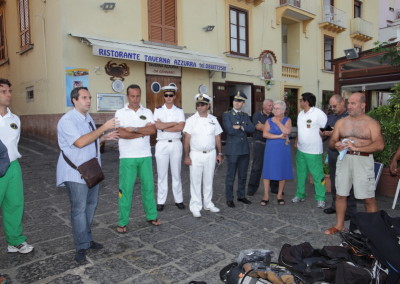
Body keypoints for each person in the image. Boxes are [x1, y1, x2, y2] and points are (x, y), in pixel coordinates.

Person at [57, 86, 119, 263]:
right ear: (74, 100)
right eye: (84, 97)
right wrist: (103, 129)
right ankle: (80, 246)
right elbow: (79, 142)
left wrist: (103, 139)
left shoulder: (87, 118)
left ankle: (87, 239)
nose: (88, 101)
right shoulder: (67, 120)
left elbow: (90, 142)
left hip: (91, 170)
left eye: (89, 97)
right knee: (79, 209)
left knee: (90, 206)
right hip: (75, 172)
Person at [324, 92, 384, 235]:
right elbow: (331, 143)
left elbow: (380, 145)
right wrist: (337, 144)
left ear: (363, 105)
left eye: (353, 103)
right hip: (344, 160)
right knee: (340, 194)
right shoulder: (341, 122)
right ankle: (339, 225)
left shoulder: (371, 123)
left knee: (368, 197)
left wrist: (358, 147)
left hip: (363, 160)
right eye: (348, 103)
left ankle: (372, 229)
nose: (349, 106)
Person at [115, 84, 160, 234]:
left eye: (138, 96)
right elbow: (121, 134)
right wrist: (142, 131)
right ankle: (122, 222)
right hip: (127, 157)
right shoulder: (120, 112)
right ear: (127, 96)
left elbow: (152, 130)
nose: (135, 99)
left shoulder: (147, 111)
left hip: (145, 155)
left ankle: (152, 216)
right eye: (132, 96)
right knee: (125, 190)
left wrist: (134, 129)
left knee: (148, 187)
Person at [0, 78, 34, 254]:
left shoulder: (16, 119)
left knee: (15, 204)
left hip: (13, 167)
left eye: (9, 91)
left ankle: (15, 240)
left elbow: (14, 144)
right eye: (3, 91)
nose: (8, 95)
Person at [183, 94, 223, 218]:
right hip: (196, 154)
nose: (199, 107)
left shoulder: (213, 119)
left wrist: (220, 153)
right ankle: (195, 206)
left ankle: (208, 203)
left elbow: (217, 136)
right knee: (195, 181)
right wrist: (186, 156)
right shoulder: (191, 120)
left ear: (208, 106)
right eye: (197, 105)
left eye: (202, 105)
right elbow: (186, 139)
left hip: (211, 153)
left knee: (208, 180)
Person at [321, 95, 356, 220]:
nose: (333, 108)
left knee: (347, 182)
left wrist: (335, 133)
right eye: (331, 106)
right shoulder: (331, 117)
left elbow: (351, 135)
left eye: (335, 106)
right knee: (335, 181)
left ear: (342, 103)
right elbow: (325, 136)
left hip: (346, 154)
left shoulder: (349, 117)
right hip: (332, 153)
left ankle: (350, 211)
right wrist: (323, 133)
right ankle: (336, 206)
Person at [292, 92, 327, 208]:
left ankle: (321, 198)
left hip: (314, 151)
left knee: (318, 176)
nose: (300, 102)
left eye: (301, 100)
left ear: (306, 102)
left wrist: (323, 138)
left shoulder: (318, 114)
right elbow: (300, 130)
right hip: (301, 150)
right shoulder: (300, 114)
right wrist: (296, 140)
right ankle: (300, 194)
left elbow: (327, 129)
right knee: (301, 174)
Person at [154, 85, 185, 211]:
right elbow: (157, 126)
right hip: (162, 144)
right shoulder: (158, 110)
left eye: (170, 95)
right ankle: (161, 201)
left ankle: (179, 200)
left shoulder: (179, 111)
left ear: (175, 97)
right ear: (163, 97)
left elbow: (180, 127)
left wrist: (164, 126)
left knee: (176, 173)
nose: (168, 98)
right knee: (161, 174)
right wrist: (173, 123)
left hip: (176, 143)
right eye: (166, 95)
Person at [223, 91, 255, 208]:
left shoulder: (245, 115)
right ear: (233, 102)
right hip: (233, 150)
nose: (237, 103)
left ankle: (241, 195)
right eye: (236, 101)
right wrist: (243, 127)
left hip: (244, 150)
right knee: (231, 175)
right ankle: (229, 198)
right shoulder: (227, 115)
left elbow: (251, 129)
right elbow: (230, 130)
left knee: (243, 175)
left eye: (240, 101)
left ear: (243, 103)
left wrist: (240, 126)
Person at [261, 100, 293, 205]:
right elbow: (265, 134)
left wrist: (277, 122)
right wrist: (279, 136)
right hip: (271, 148)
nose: (275, 110)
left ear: (283, 110)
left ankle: (280, 194)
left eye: (277, 108)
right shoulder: (268, 121)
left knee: (282, 170)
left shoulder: (287, 120)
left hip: (283, 149)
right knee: (267, 171)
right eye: (274, 108)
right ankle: (266, 195)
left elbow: (287, 131)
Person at [247, 99, 275, 196]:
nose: (271, 107)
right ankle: (251, 189)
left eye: (272, 105)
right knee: (256, 167)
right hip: (259, 143)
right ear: (264, 106)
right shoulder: (257, 115)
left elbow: (276, 129)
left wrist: (264, 126)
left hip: (272, 144)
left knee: (272, 166)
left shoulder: (274, 116)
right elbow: (258, 127)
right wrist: (272, 128)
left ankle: (274, 188)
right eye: (269, 105)